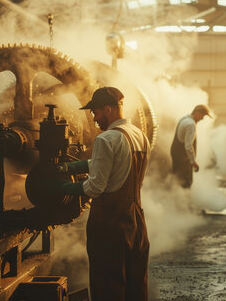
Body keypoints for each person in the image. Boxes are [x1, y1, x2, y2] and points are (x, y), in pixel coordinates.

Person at [56, 86, 150, 301]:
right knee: (136, 282)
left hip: (109, 222)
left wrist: (62, 188)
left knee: (108, 283)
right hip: (135, 217)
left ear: (107, 109)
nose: (94, 119)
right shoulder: (139, 135)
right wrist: (70, 168)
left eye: (95, 113)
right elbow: (112, 164)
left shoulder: (105, 139)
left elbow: (95, 187)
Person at [170, 104, 212, 188]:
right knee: (186, 182)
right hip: (184, 157)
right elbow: (188, 146)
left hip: (176, 154)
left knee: (176, 179)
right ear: (197, 113)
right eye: (202, 116)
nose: (202, 119)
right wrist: (193, 162)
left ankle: (175, 199)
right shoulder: (191, 124)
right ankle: (184, 200)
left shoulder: (184, 119)